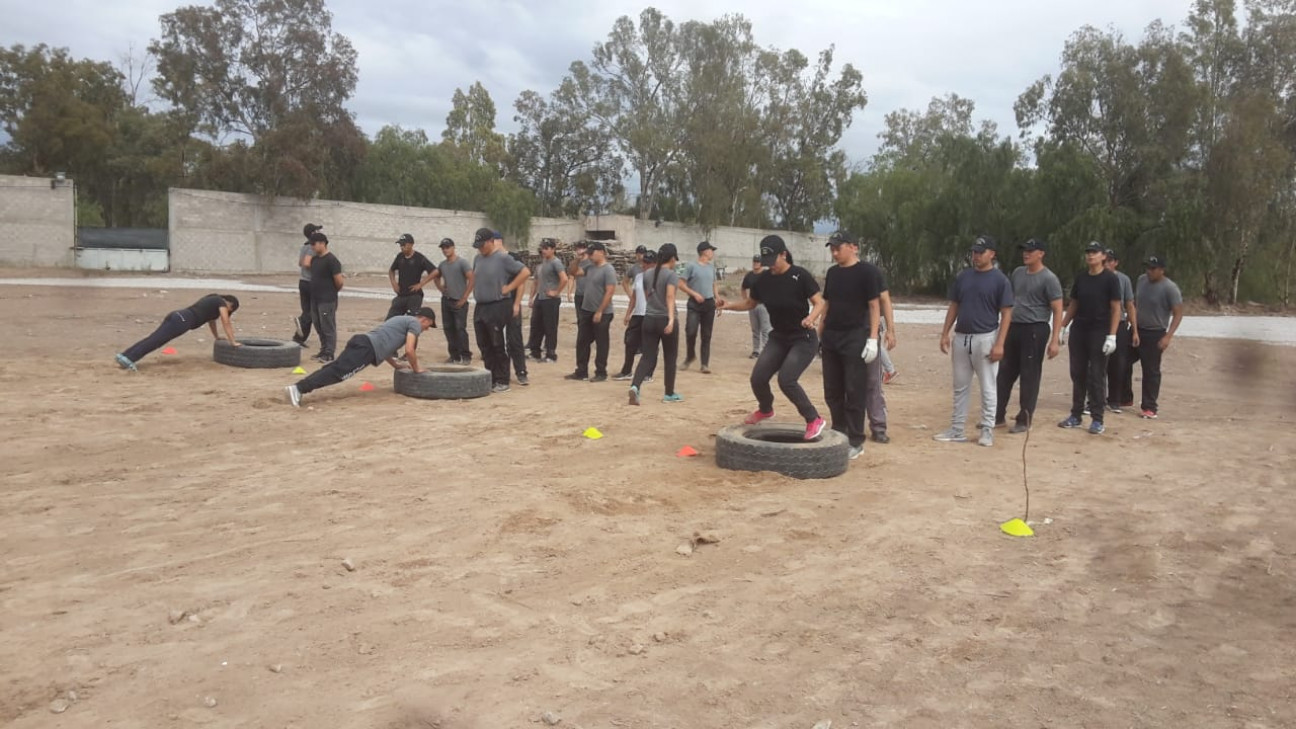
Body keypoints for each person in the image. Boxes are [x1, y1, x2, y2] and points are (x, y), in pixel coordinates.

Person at [718, 235, 827, 441]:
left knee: (787, 379)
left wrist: (811, 317)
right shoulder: (763, 280)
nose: (771, 267)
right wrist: (728, 305)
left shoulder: (799, 275)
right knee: (758, 378)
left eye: (773, 262)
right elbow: (751, 303)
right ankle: (766, 409)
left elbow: (819, 302)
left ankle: (814, 419)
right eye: (766, 263)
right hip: (779, 337)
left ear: (784, 254)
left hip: (803, 338)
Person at [934, 236, 1014, 447]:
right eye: (974, 252)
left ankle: (987, 429)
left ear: (992, 254)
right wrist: (945, 333)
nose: (976, 256)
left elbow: (1006, 313)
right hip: (962, 337)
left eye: (981, 252)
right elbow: (954, 306)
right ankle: (957, 428)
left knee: (988, 386)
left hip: (985, 337)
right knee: (960, 386)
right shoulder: (964, 277)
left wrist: (1000, 343)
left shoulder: (1000, 280)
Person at [285, 308, 437, 407]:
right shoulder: (414, 324)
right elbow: (410, 350)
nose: (427, 329)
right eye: (429, 325)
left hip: (363, 342)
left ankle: (299, 388)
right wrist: (417, 369)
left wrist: (396, 366)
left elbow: (385, 347)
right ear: (425, 320)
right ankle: (298, 388)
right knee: (338, 372)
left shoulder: (401, 320)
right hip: (366, 349)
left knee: (335, 369)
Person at [818, 231, 882, 460]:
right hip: (832, 336)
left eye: (838, 248)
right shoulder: (833, 273)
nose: (834, 253)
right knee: (832, 390)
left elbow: (875, 306)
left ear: (853, 247)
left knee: (854, 390)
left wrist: (873, 338)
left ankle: (856, 440)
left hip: (855, 335)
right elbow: (827, 304)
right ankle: (839, 430)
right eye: (832, 249)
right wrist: (820, 333)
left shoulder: (867, 272)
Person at [995, 238, 1064, 434]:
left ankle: (1024, 419)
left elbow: (1058, 309)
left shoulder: (1049, 278)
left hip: (1035, 328)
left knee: (1029, 375)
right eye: (1025, 250)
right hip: (1014, 326)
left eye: (1031, 251)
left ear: (1041, 253)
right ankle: (997, 415)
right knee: (1005, 373)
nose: (1026, 254)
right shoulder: (1017, 273)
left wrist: (1055, 339)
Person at [1058, 241, 1122, 434]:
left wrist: (1112, 335)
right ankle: (1076, 414)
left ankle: (1097, 418)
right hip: (1080, 330)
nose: (1090, 255)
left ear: (1103, 256)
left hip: (1099, 331)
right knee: (1078, 373)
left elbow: (1116, 308)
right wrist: (1063, 325)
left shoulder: (1110, 279)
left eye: (1094, 252)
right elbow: (1074, 303)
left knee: (1096, 374)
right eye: (1088, 252)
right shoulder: (1082, 278)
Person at [471, 228, 531, 393]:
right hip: (480, 306)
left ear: (491, 241)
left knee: (497, 344)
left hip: (498, 306)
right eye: (478, 246)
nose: (480, 249)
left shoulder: (504, 259)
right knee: (484, 344)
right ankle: (491, 377)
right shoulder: (477, 259)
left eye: (482, 245)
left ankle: (503, 380)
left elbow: (525, 272)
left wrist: (509, 287)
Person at [116, 293, 241, 371]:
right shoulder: (220, 301)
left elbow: (212, 321)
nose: (228, 311)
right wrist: (233, 342)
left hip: (177, 315)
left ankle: (125, 355)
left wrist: (217, 336)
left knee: (154, 338)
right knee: (156, 340)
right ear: (229, 304)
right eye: (230, 309)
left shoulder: (212, 301)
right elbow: (226, 322)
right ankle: (129, 358)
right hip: (183, 320)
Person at [628, 244, 683, 405]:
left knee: (647, 356)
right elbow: (670, 297)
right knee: (670, 358)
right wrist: (671, 319)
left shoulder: (647, 274)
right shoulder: (671, 275)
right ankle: (669, 393)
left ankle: (635, 386)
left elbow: (645, 296)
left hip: (649, 318)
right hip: (665, 318)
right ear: (672, 259)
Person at [1133, 255, 1184, 419]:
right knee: (1121, 360)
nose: (1149, 272)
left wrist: (1168, 336)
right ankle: (1123, 397)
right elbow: (1135, 302)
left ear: (1162, 270)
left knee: (1151, 370)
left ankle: (1149, 406)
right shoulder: (1141, 280)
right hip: (1137, 329)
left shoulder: (1170, 288)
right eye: (1147, 268)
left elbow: (1178, 313)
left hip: (1155, 332)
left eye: (1153, 269)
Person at [566, 241, 617, 382]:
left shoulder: (608, 270)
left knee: (601, 342)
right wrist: (577, 259)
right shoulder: (589, 267)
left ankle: (601, 372)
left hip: (603, 312)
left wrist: (600, 311)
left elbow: (610, 291)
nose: (589, 256)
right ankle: (581, 371)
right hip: (587, 310)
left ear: (601, 252)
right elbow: (573, 272)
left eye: (592, 253)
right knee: (582, 341)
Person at [1102, 249, 1139, 413]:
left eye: (1110, 260)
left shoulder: (1123, 279)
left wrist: (1135, 329)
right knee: (1098, 362)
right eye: (1105, 260)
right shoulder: (1096, 277)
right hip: (1100, 322)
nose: (1107, 263)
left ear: (1115, 262)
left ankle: (1115, 399)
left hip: (1120, 323)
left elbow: (1130, 304)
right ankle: (1097, 397)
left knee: (1119, 363)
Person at [680, 241, 720, 373]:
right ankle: (690, 356)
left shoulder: (711, 268)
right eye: (711, 250)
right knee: (691, 331)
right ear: (704, 251)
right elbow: (681, 284)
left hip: (709, 304)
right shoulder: (691, 266)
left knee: (706, 334)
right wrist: (694, 293)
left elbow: (714, 284)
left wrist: (717, 298)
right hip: (694, 303)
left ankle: (704, 364)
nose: (712, 253)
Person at [527, 238, 568, 363]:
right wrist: (531, 297)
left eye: (546, 248)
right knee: (535, 325)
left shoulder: (556, 263)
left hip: (550, 300)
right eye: (542, 248)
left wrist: (556, 292)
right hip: (540, 297)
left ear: (553, 249)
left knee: (550, 327)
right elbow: (535, 281)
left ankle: (551, 353)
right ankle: (535, 351)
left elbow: (564, 279)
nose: (543, 250)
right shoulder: (541, 264)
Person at [614, 248, 652, 380]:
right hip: (638, 314)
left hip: (651, 314)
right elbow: (634, 297)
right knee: (630, 341)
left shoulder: (659, 278)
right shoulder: (639, 277)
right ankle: (627, 370)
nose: (644, 265)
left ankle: (648, 373)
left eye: (647, 263)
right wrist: (628, 313)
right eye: (644, 262)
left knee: (649, 345)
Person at [435, 237, 474, 364]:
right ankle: (454, 355)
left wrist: (464, 297)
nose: (445, 250)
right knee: (448, 328)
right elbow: (436, 276)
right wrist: (441, 289)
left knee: (460, 328)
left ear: (453, 247)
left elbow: (471, 279)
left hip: (459, 301)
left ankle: (466, 355)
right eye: (443, 248)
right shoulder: (443, 265)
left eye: (447, 247)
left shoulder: (462, 263)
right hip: (446, 300)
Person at [307, 231, 344, 362]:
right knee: (318, 325)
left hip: (327, 300)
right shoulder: (315, 260)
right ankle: (323, 350)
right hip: (315, 299)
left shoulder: (332, 260)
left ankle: (329, 353)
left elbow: (339, 281)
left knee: (328, 326)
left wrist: (332, 292)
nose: (312, 247)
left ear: (322, 243)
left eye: (313, 244)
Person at [386, 233, 438, 320]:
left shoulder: (419, 258)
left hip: (414, 296)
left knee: (411, 321)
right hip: (401, 294)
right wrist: (394, 283)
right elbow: (391, 270)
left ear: (411, 245)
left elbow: (435, 271)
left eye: (404, 245)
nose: (402, 247)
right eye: (400, 245)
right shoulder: (400, 256)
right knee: (390, 320)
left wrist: (421, 284)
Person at [504, 246, 530, 386]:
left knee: (515, 340)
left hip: (512, 304)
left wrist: (517, 304)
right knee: (500, 342)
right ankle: (503, 373)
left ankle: (521, 372)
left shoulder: (513, 258)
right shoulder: (489, 259)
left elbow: (521, 283)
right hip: (496, 306)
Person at [292, 223, 320, 347]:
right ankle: (301, 321)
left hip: (303, 281)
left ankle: (299, 339)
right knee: (311, 313)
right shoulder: (311, 247)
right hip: (310, 282)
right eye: (317, 231)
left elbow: (300, 263)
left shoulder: (304, 246)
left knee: (308, 311)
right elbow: (306, 263)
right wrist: (319, 267)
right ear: (313, 234)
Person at [742, 255, 771, 359]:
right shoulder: (749, 275)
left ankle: (766, 351)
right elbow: (743, 288)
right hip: (752, 305)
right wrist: (746, 301)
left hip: (764, 305)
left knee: (765, 330)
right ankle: (756, 350)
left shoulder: (767, 275)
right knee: (755, 329)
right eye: (754, 261)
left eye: (758, 262)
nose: (756, 263)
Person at [567, 241, 591, 310]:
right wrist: (569, 293)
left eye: (583, 248)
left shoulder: (591, 262)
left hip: (591, 294)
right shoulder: (575, 263)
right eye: (578, 248)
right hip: (579, 294)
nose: (580, 251)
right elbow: (571, 277)